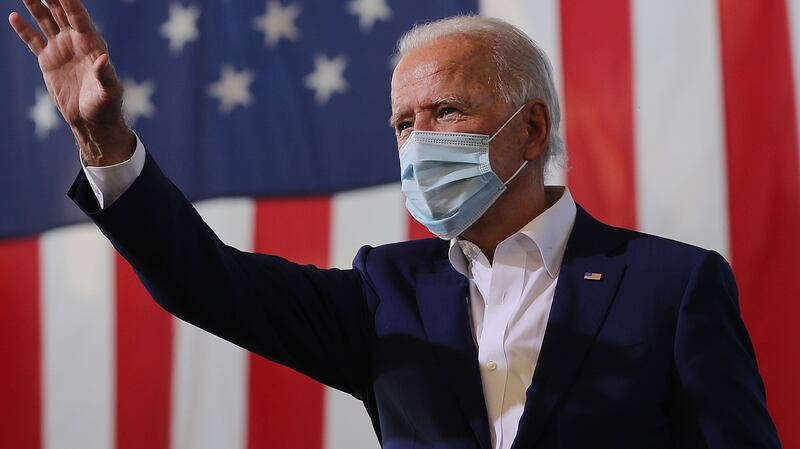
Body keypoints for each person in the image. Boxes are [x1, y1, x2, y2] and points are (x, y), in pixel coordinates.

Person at [9, 1, 781, 448]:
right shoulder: (386, 292)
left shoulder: (673, 285)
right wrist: (104, 141)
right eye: (404, 123)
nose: (418, 142)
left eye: (445, 111)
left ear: (531, 128)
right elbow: (206, 281)